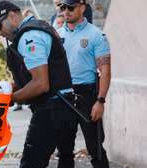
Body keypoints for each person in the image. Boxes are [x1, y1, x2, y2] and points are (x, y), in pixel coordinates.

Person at [0, 1, 78, 167]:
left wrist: (8, 99)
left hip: (52, 110)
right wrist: (3, 89)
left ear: (12, 16)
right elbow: (29, 79)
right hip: (64, 106)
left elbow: (41, 84)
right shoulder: (37, 28)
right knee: (65, 160)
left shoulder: (29, 36)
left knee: (31, 164)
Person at [57, 0, 111, 167]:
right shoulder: (56, 35)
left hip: (87, 96)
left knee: (96, 150)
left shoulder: (96, 35)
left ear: (82, 7)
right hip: (63, 96)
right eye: (63, 7)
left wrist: (100, 101)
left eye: (70, 7)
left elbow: (105, 72)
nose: (66, 11)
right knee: (64, 151)